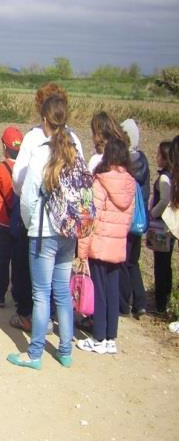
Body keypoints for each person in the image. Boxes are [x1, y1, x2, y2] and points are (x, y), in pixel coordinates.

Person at [7, 95, 79, 370]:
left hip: (43, 230)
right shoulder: (76, 147)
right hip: (68, 230)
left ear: (45, 120)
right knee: (61, 291)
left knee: (40, 293)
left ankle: (34, 353)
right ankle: (65, 350)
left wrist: (29, 222)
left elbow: (26, 194)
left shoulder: (41, 150)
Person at [76, 137, 135, 355]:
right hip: (118, 245)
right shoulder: (130, 183)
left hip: (99, 244)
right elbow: (127, 220)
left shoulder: (100, 182)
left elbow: (89, 218)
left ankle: (98, 336)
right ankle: (111, 337)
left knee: (98, 291)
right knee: (112, 290)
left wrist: (82, 250)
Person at [12, 83, 83, 195]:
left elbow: (18, 178)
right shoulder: (74, 138)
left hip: (38, 207)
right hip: (68, 208)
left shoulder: (32, 137)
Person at [0, 126, 24, 309]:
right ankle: (18, 296)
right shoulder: (25, 169)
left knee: (1, 261)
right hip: (19, 222)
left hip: (2, 221)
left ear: (4, 146)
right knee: (18, 261)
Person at [120, 118, 150, 318]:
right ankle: (140, 303)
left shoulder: (123, 162)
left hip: (124, 219)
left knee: (121, 262)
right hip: (139, 220)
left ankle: (123, 304)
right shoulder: (144, 161)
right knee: (133, 262)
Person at [149, 141, 174, 314]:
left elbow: (164, 200)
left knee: (161, 265)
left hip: (162, 228)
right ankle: (164, 298)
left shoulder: (164, 178)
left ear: (165, 159)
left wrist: (153, 213)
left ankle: (160, 303)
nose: (156, 157)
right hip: (168, 227)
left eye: (158, 155)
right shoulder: (171, 175)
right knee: (165, 264)